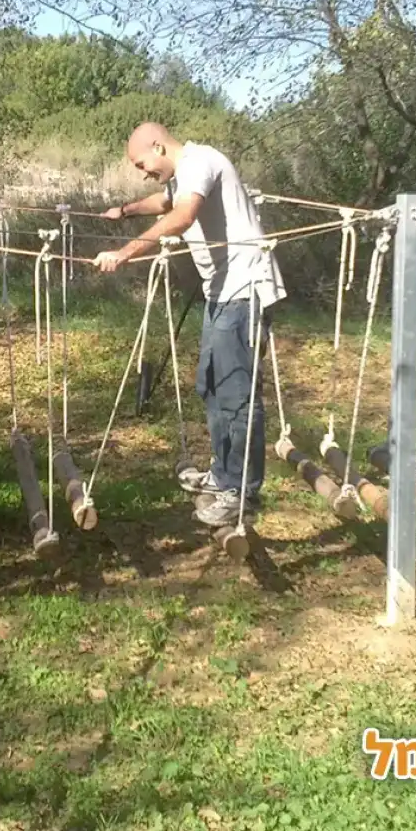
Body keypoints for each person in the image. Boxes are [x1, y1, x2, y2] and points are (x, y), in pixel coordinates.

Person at [94, 122, 286, 528]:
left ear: (159, 147)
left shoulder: (201, 161)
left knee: (238, 395)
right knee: (212, 387)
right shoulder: (185, 173)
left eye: (142, 163)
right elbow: (165, 203)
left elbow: (182, 215)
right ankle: (221, 476)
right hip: (221, 294)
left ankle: (241, 491)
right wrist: (124, 211)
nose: (143, 172)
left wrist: (127, 251)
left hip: (244, 290)